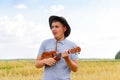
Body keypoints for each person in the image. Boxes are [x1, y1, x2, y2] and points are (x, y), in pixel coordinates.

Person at [35, 15, 80, 80]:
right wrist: (44, 61)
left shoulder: (73, 46)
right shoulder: (45, 43)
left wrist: (67, 59)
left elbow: (75, 69)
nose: (53, 29)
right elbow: (37, 64)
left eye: (57, 27)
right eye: (52, 27)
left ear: (64, 29)